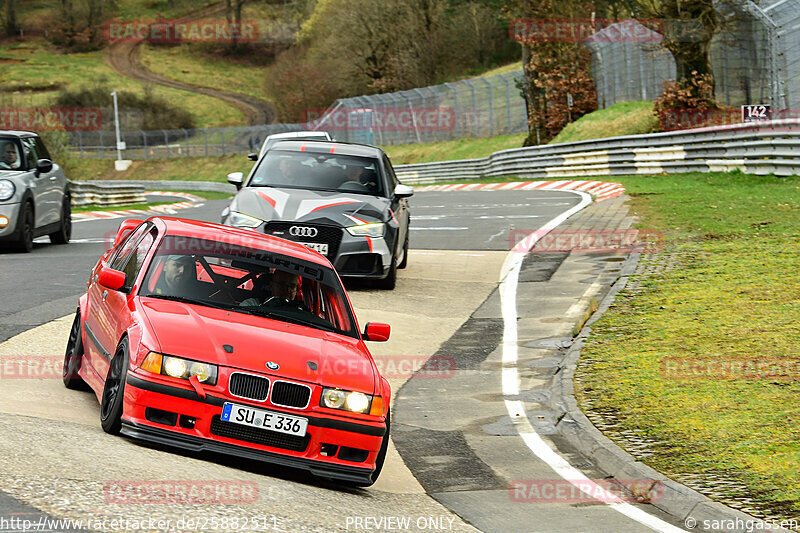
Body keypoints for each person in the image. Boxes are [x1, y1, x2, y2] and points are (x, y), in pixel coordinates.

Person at [240, 270, 305, 309]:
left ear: (296, 290)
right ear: (271, 286)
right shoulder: (251, 306)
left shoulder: (302, 314)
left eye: (292, 286)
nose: (288, 290)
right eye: (282, 285)